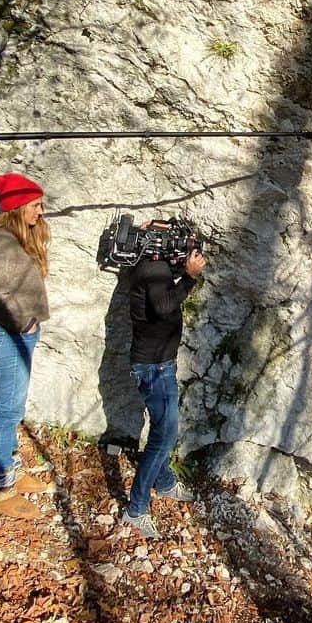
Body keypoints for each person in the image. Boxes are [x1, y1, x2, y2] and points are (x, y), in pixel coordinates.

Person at [120, 226, 206, 540]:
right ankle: (135, 509)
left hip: (157, 364)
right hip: (154, 368)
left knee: (161, 428)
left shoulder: (151, 264)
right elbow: (164, 305)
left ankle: (166, 483)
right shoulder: (153, 269)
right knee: (164, 435)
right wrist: (190, 275)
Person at [0, 172, 54, 519]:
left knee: (13, 408)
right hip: (8, 336)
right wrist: (25, 322)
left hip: (17, 335)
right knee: (7, 411)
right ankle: (1, 486)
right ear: (19, 206)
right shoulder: (0, 243)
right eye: (36, 205)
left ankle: (11, 471)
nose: (40, 211)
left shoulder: (14, 240)